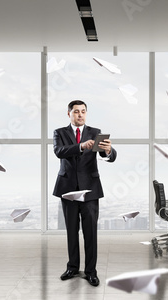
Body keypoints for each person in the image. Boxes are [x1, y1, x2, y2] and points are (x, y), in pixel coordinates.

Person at [53, 100, 117, 287]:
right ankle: (73, 267)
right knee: (72, 232)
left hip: (90, 189)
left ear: (86, 113)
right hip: (68, 189)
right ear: (69, 114)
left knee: (90, 233)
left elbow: (108, 156)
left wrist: (108, 151)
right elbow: (59, 151)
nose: (80, 115)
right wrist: (81, 146)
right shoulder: (60, 133)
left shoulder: (95, 132)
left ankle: (91, 271)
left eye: (83, 111)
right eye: (76, 112)